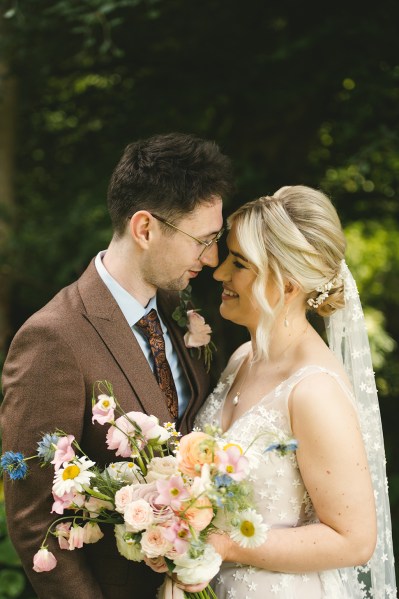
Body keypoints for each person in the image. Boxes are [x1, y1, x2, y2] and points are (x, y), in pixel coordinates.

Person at [0, 132, 234, 599]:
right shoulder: (53, 338)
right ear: (145, 228)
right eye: (202, 241)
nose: (210, 259)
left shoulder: (178, 313)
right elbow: (33, 521)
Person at [192, 186, 396, 597]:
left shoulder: (313, 391)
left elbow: (354, 539)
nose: (219, 273)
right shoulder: (243, 358)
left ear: (286, 284)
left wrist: (224, 545)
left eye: (239, 263)